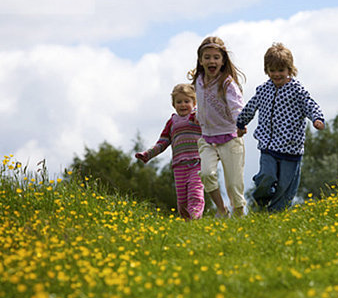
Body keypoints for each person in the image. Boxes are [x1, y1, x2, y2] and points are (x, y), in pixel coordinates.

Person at [237, 42, 325, 213]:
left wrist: (317, 118)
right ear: (266, 70)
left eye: (281, 70)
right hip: (268, 146)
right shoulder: (263, 90)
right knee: (266, 176)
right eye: (272, 70)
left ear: (289, 70)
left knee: (285, 187)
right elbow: (250, 107)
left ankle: (274, 216)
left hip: (291, 147)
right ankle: (260, 200)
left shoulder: (297, 90)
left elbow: (310, 104)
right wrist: (241, 123)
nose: (276, 74)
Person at [188, 36, 247, 217]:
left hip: (230, 137)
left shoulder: (227, 83)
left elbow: (236, 106)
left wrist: (241, 123)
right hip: (207, 138)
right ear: (200, 60)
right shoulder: (198, 79)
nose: (211, 61)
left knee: (233, 185)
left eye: (216, 57)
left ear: (222, 61)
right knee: (206, 174)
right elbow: (203, 101)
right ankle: (222, 209)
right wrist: (197, 115)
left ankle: (239, 215)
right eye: (207, 57)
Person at [135, 83, 205, 220]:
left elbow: (210, 130)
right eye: (179, 102)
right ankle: (187, 223)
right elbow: (162, 142)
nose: (183, 105)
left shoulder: (197, 117)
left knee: (195, 193)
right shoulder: (172, 122)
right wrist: (148, 154)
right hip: (179, 166)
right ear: (174, 104)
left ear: (194, 102)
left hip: (198, 162)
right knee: (182, 201)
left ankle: (195, 217)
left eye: (187, 101)